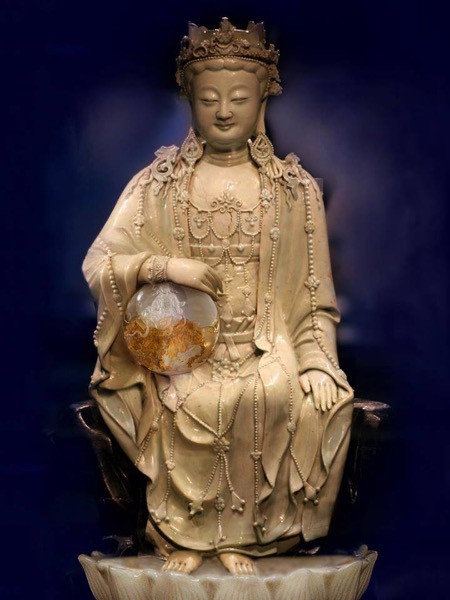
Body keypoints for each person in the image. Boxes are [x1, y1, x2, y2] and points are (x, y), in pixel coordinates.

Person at [82, 18, 353, 575]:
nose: (224, 111)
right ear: (190, 100)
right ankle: (180, 535)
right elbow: (99, 263)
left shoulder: (293, 191)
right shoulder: (158, 184)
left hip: (264, 345)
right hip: (181, 348)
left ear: (262, 100)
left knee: (277, 395)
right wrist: (163, 266)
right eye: (209, 99)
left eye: (238, 98)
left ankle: (249, 541)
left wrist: (316, 361)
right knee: (183, 399)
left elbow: (313, 297)